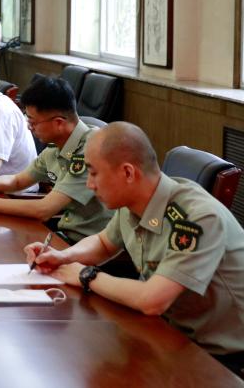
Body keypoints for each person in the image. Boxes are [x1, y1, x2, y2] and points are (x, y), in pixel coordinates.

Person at [24, 123, 244, 374]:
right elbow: (104, 242)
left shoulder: (196, 217)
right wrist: (63, 256)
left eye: (94, 173)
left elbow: (152, 300)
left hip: (222, 358)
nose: (90, 184)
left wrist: (86, 275)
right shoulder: (135, 200)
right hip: (169, 333)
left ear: (128, 173)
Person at [0, 77, 112, 243]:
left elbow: (44, 209)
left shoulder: (90, 150)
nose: (29, 128)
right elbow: (18, 180)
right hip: (64, 234)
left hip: (92, 244)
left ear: (58, 123)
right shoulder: (55, 147)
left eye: (33, 122)